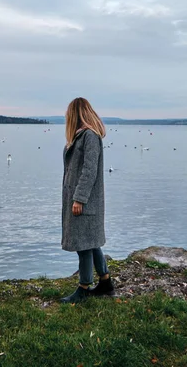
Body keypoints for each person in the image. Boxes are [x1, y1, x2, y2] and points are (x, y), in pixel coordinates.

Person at [60, 97, 115, 303]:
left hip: (85, 201)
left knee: (83, 244)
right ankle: (106, 283)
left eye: (69, 114)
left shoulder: (89, 137)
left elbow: (89, 171)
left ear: (76, 114)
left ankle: (84, 288)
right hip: (80, 200)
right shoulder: (80, 137)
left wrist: (79, 199)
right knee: (91, 242)